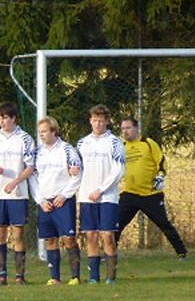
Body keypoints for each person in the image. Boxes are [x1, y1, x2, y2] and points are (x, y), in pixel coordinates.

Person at [116, 117, 188, 258]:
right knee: (116, 225)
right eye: (123, 129)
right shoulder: (122, 147)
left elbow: (161, 161)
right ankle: (110, 255)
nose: (125, 132)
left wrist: (161, 176)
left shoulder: (148, 143)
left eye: (128, 128)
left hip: (150, 194)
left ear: (136, 128)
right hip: (130, 194)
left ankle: (181, 252)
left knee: (164, 224)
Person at [76, 104, 126, 283]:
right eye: (94, 120)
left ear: (107, 122)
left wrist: (101, 189)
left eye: (101, 121)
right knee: (91, 235)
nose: (97, 124)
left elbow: (119, 170)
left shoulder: (115, 142)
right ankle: (93, 277)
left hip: (107, 196)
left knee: (107, 235)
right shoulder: (82, 143)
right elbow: (78, 168)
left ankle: (111, 277)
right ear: (90, 121)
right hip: (86, 196)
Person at [0, 102, 36, 285]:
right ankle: (2, 274)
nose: (2, 122)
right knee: (0, 233)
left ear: (14, 118)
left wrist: (15, 182)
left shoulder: (25, 139)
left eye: (5, 118)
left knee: (17, 234)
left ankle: (19, 275)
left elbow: (30, 167)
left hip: (18, 193)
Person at [32, 116, 83, 285]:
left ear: (54, 131)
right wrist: (40, 200)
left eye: (45, 131)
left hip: (63, 200)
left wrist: (64, 195)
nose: (42, 135)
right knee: (51, 239)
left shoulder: (67, 150)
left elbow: (77, 175)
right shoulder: (37, 153)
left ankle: (75, 276)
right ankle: (54, 277)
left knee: (68, 238)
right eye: (40, 132)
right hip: (45, 201)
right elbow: (33, 178)